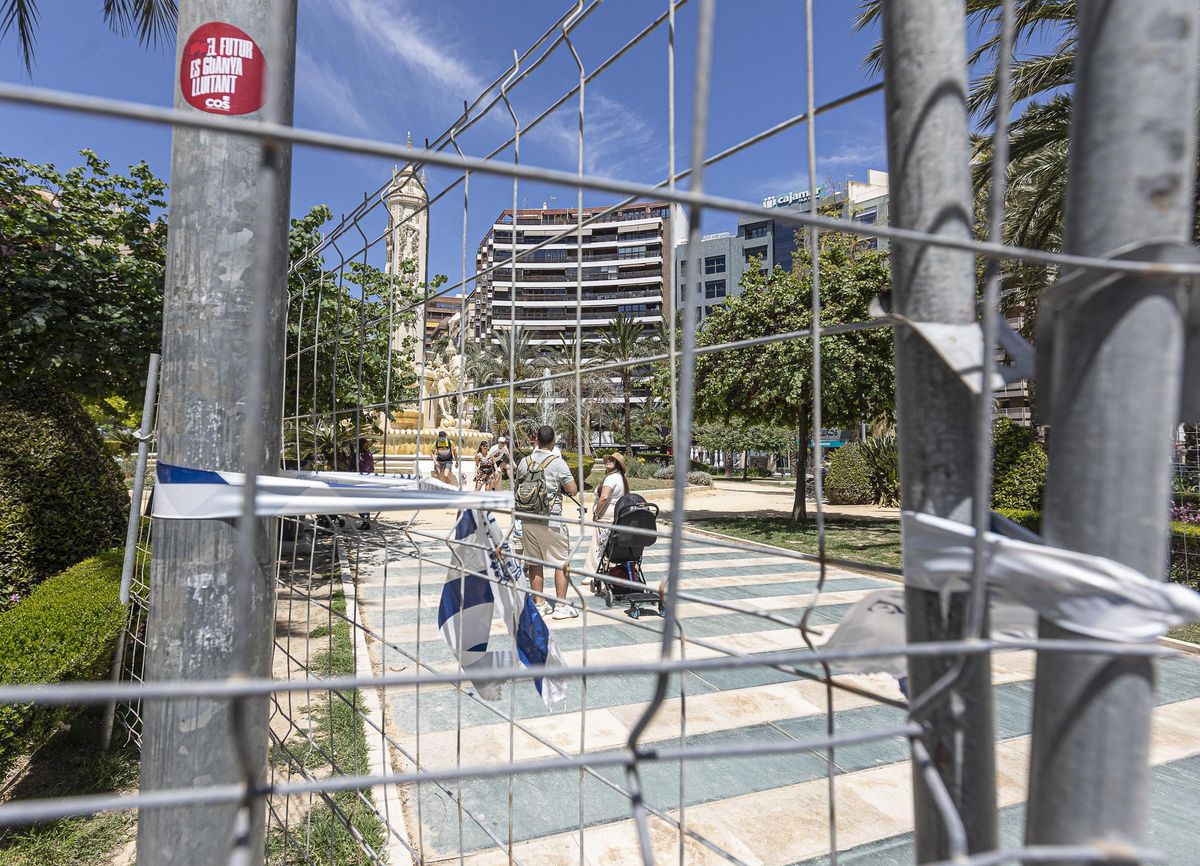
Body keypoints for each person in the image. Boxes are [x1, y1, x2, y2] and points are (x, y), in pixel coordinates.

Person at [516, 425, 578, 619]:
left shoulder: (524, 462)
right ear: (553, 441)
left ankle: (539, 604)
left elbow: (518, 486)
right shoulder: (558, 462)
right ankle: (560, 606)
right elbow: (572, 489)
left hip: (527, 517)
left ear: (536, 440)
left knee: (534, 561)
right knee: (561, 562)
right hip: (551, 519)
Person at [585, 452, 628, 577]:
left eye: (612, 460)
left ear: (617, 465)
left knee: (598, 545)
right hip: (615, 514)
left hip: (605, 515)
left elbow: (603, 498)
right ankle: (606, 570)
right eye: (608, 459)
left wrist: (596, 513)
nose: (609, 461)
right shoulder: (620, 478)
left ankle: (593, 573)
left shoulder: (611, 478)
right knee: (607, 543)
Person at [354, 438, 375, 531]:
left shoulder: (363, 455)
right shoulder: (363, 455)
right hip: (363, 480)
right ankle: (366, 521)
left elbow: (367, 468)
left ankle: (366, 521)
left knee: (360, 502)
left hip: (361, 480)